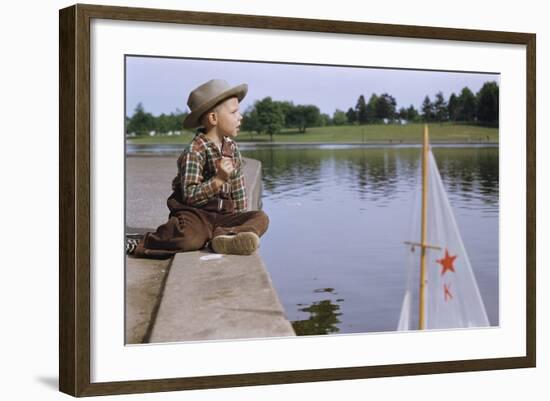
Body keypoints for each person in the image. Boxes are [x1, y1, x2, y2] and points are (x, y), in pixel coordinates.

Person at [127, 79, 269, 259]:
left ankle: (226, 237)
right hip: (196, 215)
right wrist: (218, 180)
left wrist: (240, 219)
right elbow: (190, 196)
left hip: (223, 217)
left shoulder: (232, 149)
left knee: (261, 217)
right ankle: (143, 242)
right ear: (213, 118)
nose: (240, 117)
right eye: (234, 112)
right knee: (189, 240)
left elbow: (238, 188)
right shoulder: (194, 152)